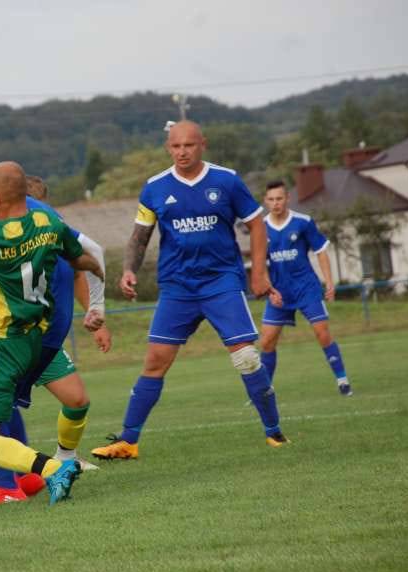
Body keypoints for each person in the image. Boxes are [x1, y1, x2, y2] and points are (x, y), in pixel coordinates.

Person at [91, 120, 289, 461]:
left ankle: (274, 433)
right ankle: (128, 441)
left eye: (189, 145)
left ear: (202, 145)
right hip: (177, 287)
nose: (182, 152)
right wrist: (128, 270)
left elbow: (256, 224)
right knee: (154, 361)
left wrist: (259, 273)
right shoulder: (154, 188)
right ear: (168, 148)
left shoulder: (226, 180)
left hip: (221, 282)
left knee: (245, 357)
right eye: (175, 146)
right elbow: (140, 236)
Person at [0, 161, 104, 505]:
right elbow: (87, 259)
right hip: (37, 337)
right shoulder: (48, 223)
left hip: (1, 341)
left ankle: (41, 472)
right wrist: (99, 296)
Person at [259, 180, 352, 396]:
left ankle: (342, 380)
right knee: (267, 340)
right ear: (265, 201)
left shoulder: (303, 222)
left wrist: (329, 282)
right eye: (271, 199)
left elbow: (321, 251)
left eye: (279, 198)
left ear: (287, 198)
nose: (275, 203)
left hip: (306, 288)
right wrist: (269, 290)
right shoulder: (261, 228)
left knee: (322, 333)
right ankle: (264, 390)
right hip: (279, 292)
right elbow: (259, 263)